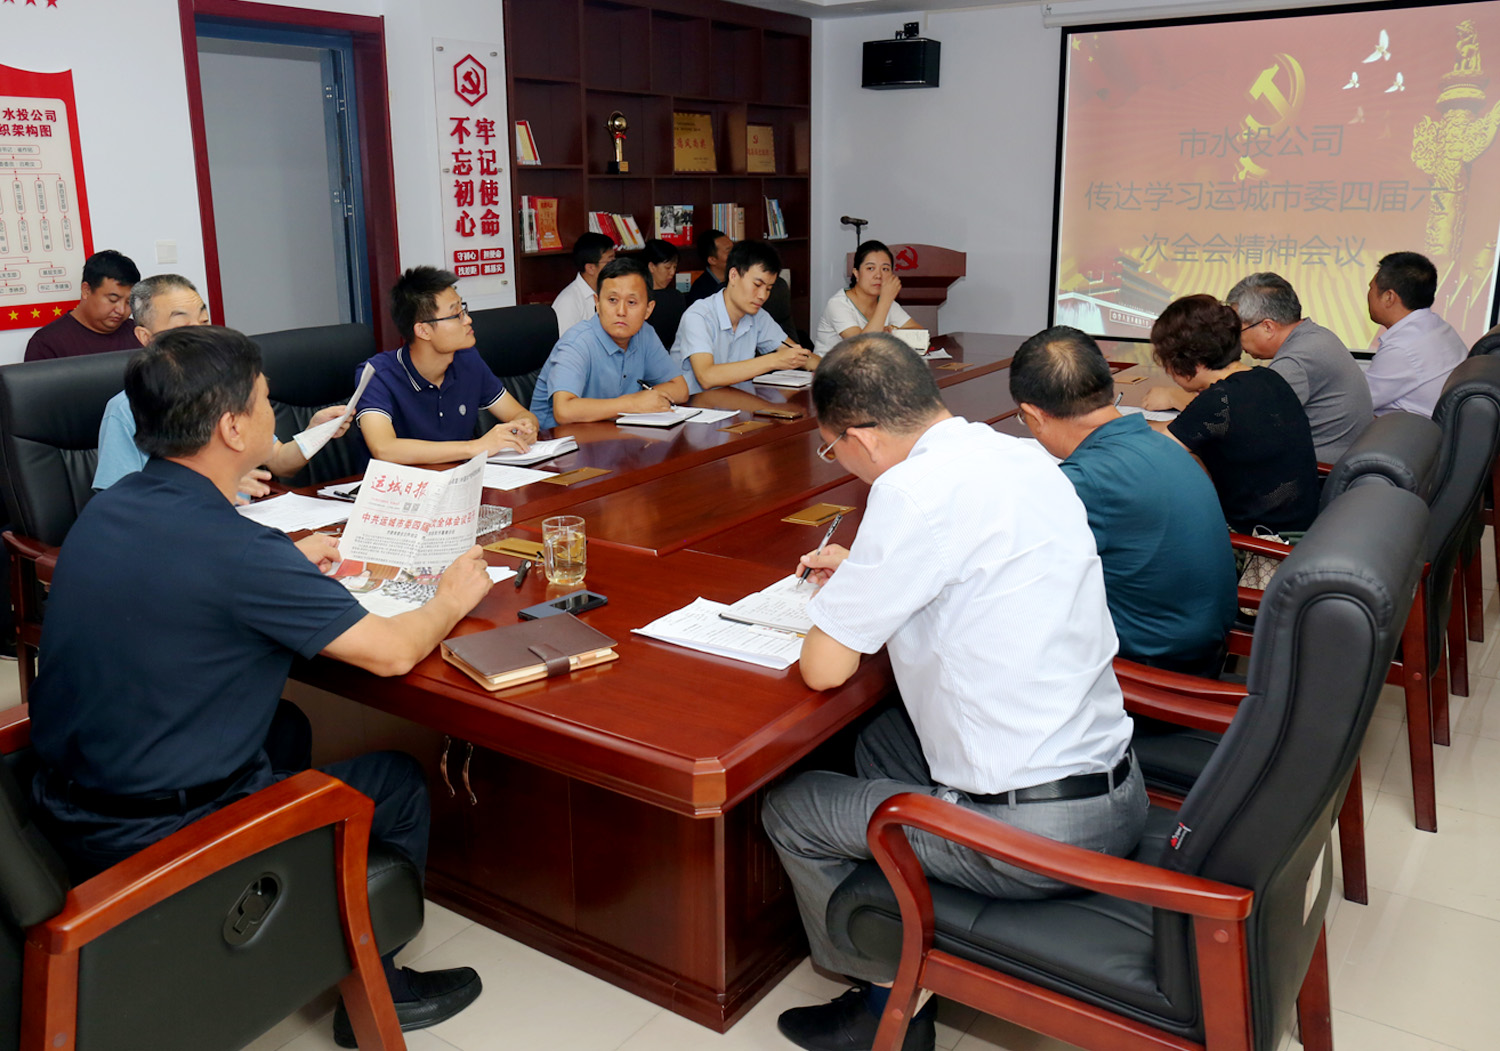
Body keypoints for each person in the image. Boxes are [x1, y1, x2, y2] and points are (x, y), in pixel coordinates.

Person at [29, 325, 490, 1045]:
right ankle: (378, 992)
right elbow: (394, 652)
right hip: (156, 832)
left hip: (66, 803)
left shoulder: (108, 510)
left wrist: (284, 566)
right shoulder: (239, 550)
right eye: (267, 399)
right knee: (397, 781)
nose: (276, 412)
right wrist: (452, 597)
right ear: (232, 427)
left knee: (285, 727)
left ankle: (298, 896)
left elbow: (186, 581)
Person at [763, 333, 1145, 1051]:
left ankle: (884, 1009)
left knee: (794, 807)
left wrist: (844, 595)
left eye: (832, 449)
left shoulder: (910, 492)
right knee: (879, 738)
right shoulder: (1019, 455)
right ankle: (907, 916)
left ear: (861, 437)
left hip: (1033, 836)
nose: (839, 460)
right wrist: (871, 570)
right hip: (1119, 788)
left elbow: (824, 668)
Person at [1011, 326, 1237, 672]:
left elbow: (1025, 575)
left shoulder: (1086, 480)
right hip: (1202, 640)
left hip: (1154, 668)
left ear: (1035, 414)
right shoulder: (1157, 441)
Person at [93, 274, 347, 494]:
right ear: (146, 337)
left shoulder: (229, 387)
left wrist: (315, 433)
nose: (201, 336)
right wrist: (214, 486)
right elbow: (121, 504)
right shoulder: (126, 409)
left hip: (243, 520)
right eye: (183, 327)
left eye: (204, 322)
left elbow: (280, 462)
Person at [1151, 294, 1320, 535]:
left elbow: (1155, 449)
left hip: (1261, 543)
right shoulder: (1266, 377)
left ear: (1185, 362)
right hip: (1302, 528)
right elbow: (1179, 429)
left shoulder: (1219, 399)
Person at [357, 267, 539, 464]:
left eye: (464, 309)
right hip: (402, 483)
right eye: (456, 315)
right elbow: (384, 448)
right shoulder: (377, 374)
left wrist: (526, 427)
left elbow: (519, 413)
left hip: (460, 478)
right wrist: (475, 447)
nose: (468, 320)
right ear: (423, 331)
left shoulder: (467, 359)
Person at [1225, 272, 1373, 463]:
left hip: (1319, 469)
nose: (1238, 341)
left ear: (1268, 327)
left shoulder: (1294, 362)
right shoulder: (1316, 335)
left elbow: (1247, 425)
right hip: (1340, 454)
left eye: (1239, 331)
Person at [528, 257, 688, 429]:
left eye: (631, 302)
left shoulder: (644, 334)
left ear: (648, 309)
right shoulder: (577, 343)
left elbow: (680, 389)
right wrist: (632, 403)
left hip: (611, 433)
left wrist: (645, 400)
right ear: (597, 303)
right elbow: (564, 411)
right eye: (612, 300)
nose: (621, 311)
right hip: (559, 439)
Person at [671, 240, 815, 393]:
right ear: (733, 275)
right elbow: (707, 377)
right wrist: (774, 360)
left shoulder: (758, 316)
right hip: (694, 403)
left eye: (768, 289)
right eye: (757, 285)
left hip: (734, 400)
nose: (763, 296)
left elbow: (798, 354)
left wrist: (829, 369)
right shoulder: (698, 316)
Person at [1363, 251, 1468, 417]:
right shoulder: (1440, 327)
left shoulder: (1402, 348)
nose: (1368, 295)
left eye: (1371, 288)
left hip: (1410, 431)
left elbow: (1355, 403)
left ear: (1389, 297)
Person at [24, 249, 142, 361]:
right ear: (86, 291)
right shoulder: (47, 343)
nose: (121, 310)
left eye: (129, 302)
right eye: (113, 299)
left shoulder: (140, 334)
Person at [813, 240, 923, 355]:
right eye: (870, 268)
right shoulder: (838, 304)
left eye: (885, 269)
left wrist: (892, 333)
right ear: (856, 273)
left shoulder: (887, 302)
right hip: (831, 366)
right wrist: (885, 301)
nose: (878, 275)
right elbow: (862, 348)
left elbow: (919, 333)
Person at [552, 232, 616, 335]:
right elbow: (566, 343)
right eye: (610, 262)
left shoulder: (611, 291)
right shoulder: (568, 302)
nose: (616, 267)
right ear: (590, 268)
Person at [641, 238, 687, 350]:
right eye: (667, 267)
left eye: (674, 267)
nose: (672, 272)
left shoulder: (676, 297)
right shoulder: (639, 298)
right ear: (651, 266)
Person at [684, 228, 732, 306]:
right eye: (729, 251)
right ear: (712, 260)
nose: (736, 254)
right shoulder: (700, 291)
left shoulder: (737, 280)